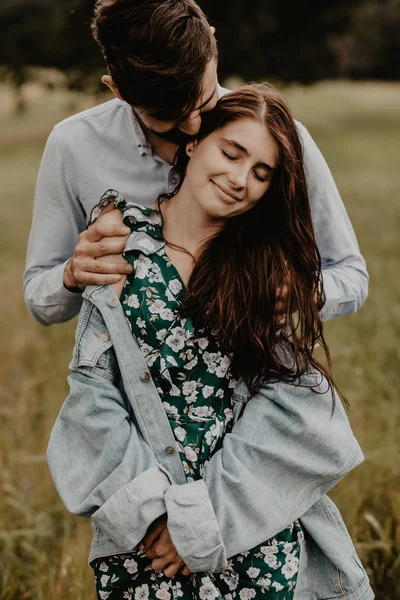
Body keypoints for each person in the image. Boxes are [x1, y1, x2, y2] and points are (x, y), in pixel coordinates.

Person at [47, 84, 374, 600]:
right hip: (147, 539)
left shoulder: (265, 273)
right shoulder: (118, 248)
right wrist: (156, 519)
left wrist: (202, 523)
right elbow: (93, 396)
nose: (240, 179)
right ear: (196, 142)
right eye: (232, 152)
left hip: (249, 530)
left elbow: (292, 409)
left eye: (261, 173)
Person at [23, 0, 368, 327]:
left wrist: (301, 294)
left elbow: (349, 273)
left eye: (202, 103)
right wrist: (71, 275)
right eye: (167, 116)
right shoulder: (73, 145)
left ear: (212, 47)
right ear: (117, 90)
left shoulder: (280, 141)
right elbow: (39, 298)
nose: (192, 128)